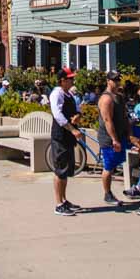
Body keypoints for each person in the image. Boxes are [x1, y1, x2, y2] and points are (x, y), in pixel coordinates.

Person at [46, 69, 82, 215]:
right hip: (60, 136)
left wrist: (77, 116)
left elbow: (77, 109)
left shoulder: (69, 94)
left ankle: (64, 200)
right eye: (69, 79)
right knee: (60, 170)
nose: (72, 81)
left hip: (68, 137)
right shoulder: (56, 94)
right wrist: (72, 129)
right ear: (62, 80)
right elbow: (58, 115)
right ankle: (58, 204)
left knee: (66, 170)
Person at [95, 74, 131, 207]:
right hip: (109, 139)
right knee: (108, 167)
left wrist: (129, 133)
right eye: (114, 80)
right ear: (108, 81)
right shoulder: (106, 99)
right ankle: (107, 193)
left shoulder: (119, 97)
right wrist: (114, 139)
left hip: (122, 135)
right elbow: (107, 120)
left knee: (125, 160)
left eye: (118, 79)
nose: (117, 82)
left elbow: (124, 116)